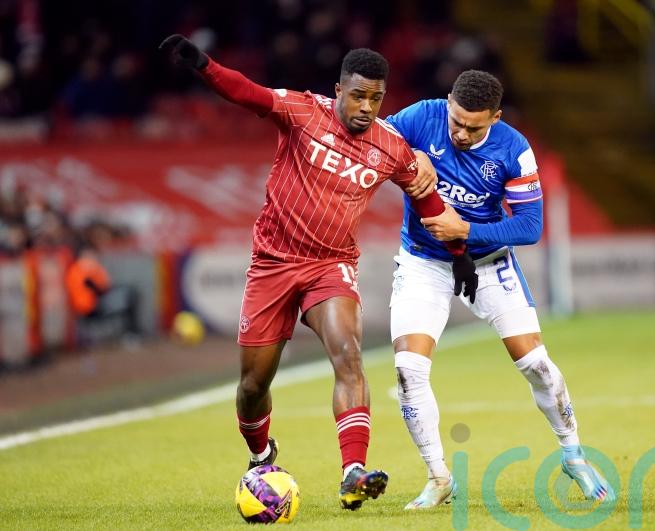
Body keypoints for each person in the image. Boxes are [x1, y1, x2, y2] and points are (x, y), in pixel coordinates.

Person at [159, 35, 478, 511]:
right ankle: (262, 454)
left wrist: (459, 253)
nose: (366, 106)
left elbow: (428, 200)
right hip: (272, 263)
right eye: (358, 95)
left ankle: (353, 471)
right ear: (338, 90)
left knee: (348, 354)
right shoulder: (305, 113)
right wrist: (204, 65)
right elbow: (249, 93)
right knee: (252, 386)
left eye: (375, 98)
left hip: (330, 265)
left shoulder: (391, 147)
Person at [386, 70, 615, 509]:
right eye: (456, 121)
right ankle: (438, 477)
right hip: (422, 261)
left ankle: (573, 454)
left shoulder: (514, 149)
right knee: (408, 370)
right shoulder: (421, 117)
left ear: (496, 116)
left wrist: (465, 229)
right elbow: (375, 143)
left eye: (475, 126)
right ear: (448, 101)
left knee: (536, 365)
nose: (462, 133)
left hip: (488, 262)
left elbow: (530, 227)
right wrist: (412, 153)